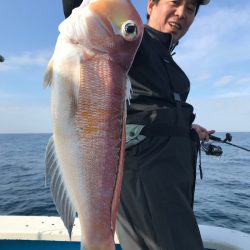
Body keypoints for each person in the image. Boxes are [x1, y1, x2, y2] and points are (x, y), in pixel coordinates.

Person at [62, 0, 215, 249]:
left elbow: (153, 111)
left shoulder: (171, 66)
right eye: (175, 2)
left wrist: (189, 132)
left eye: (190, 9)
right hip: (145, 184)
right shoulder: (128, 41)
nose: (182, 14)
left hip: (173, 190)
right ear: (151, 5)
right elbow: (86, 12)